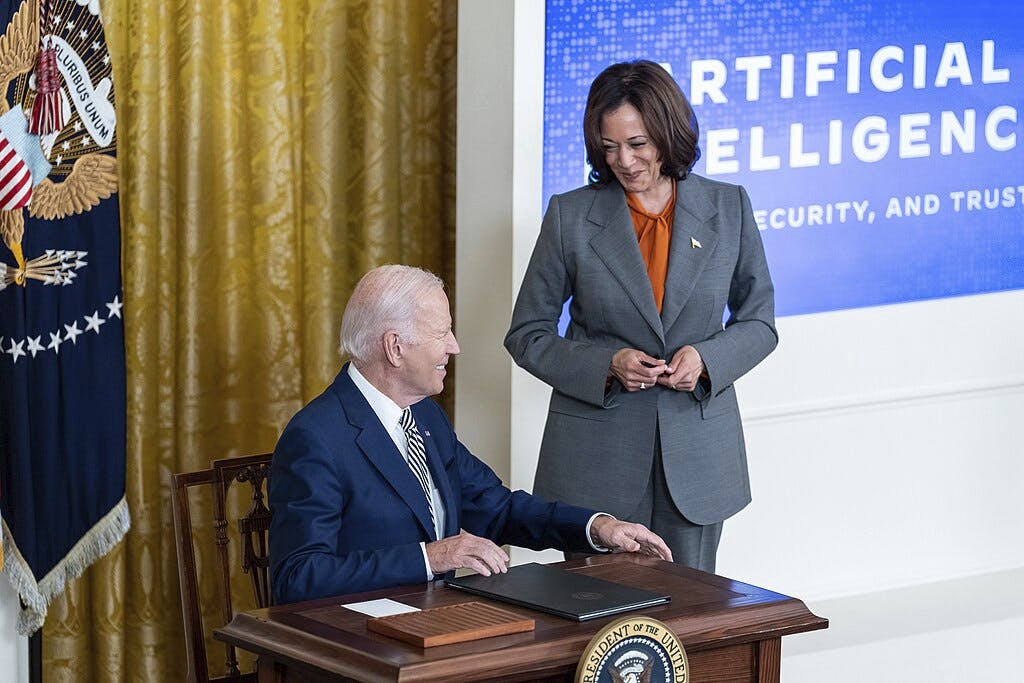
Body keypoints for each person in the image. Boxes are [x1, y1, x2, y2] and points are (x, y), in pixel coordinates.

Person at [504, 60, 776, 573]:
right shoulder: (569, 215)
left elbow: (760, 322)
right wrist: (607, 363)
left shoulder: (729, 207)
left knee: (686, 626)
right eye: (609, 147)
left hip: (695, 462)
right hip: (594, 462)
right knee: (595, 635)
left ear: (669, 134)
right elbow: (527, 335)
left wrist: (706, 359)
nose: (623, 162)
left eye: (638, 144)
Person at [269, 264, 672, 604]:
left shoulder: (426, 417)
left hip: (441, 623)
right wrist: (431, 557)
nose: (455, 346)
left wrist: (598, 527)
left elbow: (497, 508)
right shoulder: (316, 437)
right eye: (441, 333)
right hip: (360, 644)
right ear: (395, 348)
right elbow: (298, 576)